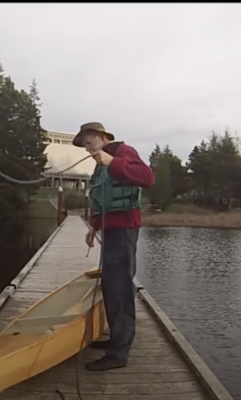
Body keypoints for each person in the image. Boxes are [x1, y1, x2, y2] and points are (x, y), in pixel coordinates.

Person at [72, 121, 155, 372]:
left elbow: (147, 178)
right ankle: (116, 339)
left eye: (89, 143)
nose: (87, 149)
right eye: (84, 145)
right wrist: (93, 227)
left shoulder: (122, 153)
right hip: (109, 230)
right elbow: (102, 199)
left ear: (101, 137)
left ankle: (119, 353)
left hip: (124, 230)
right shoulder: (99, 166)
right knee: (111, 284)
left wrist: (113, 162)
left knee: (119, 286)